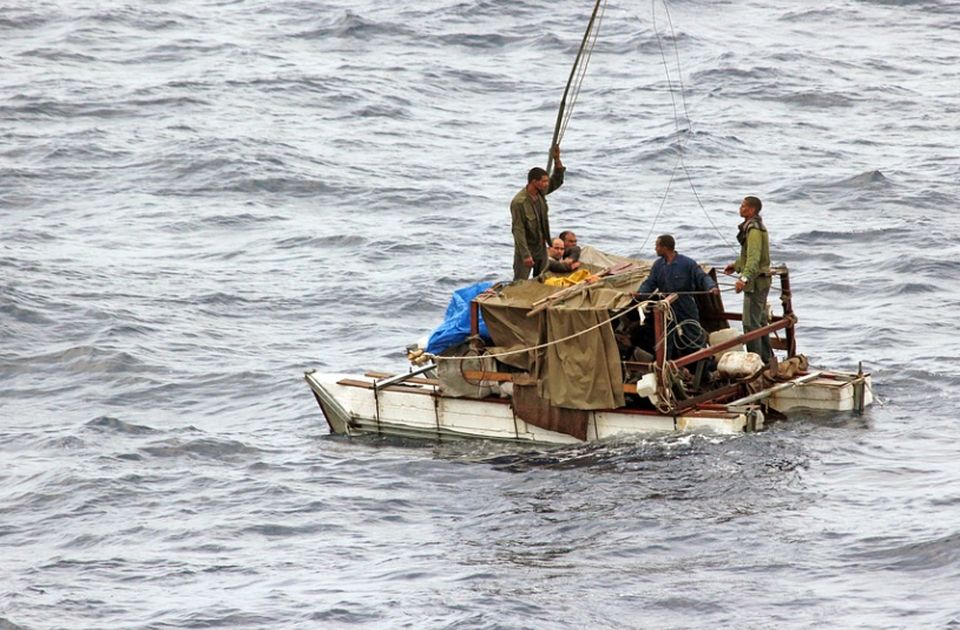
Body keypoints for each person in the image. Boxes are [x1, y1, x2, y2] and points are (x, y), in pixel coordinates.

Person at [636, 234, 719, 359]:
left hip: (685, 304)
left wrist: (711, 287)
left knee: (693, 335)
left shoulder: (687, 263)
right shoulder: (658, 265)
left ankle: (705, 368)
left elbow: (702, 277)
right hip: (666, 306)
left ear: (665, 247)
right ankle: (666, 365)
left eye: (657, 246)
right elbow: (650, 282)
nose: (655, 249)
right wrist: (640, 293)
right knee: (665, 338)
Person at [724, 196, 772, 363]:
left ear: (752, 210)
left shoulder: (754, 230)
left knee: (750, 324)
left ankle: (755, 363)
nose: (740, 208)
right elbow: (746, 257)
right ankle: (767, 360)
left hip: (755, 283)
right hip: (759, 281)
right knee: (759, 321)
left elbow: (754, 258)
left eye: (743, 206)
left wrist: (743, 279)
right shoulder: (755, 227)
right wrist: (736, 265)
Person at [511, 146, 565, 280]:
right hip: (526, 248)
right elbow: (518, 230)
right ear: (534, 182)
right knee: (520, 281)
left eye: (547, 181)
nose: (547, 184)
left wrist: (557, 159)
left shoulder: (540, 193)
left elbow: (557, 180)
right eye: (544, 181)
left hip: (541, 246)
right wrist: (525, 255)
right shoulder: (519, 202)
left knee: (542, 278)